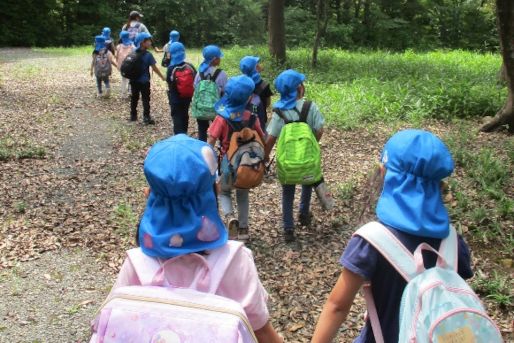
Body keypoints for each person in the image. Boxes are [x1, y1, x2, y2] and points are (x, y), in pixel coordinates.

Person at [109, 134, 283, 343]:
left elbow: (112, 322)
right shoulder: (235, 261)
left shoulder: (137, 263)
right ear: (215, 191)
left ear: (149, 195)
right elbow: (261, 332)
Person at [311, 129, 474, 343]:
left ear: (385, 174)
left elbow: (337, 306)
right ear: (439, 185)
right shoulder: (454, 244)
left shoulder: (371, 241)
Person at [264, 69, 325, 242]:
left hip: (287, 160)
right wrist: (312, 143)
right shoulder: (310, 106)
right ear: (299, 89)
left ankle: (288, 228)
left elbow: (271, 138)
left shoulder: (278, 111)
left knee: (287, 190)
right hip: (307, 157)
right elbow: (320, 129)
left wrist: (265, 156)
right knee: (308, 182)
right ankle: (304, 214)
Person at [207, 75, 266, 242]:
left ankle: (229, 218)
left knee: (224, 192)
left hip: (227, 162)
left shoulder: (221, 118)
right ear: (248, 97)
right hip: (246, 163)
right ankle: (244, 229)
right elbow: (261, 137)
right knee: (243, 193)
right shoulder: (252, 117)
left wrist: (206, 160)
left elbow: (210, 141)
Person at [193, 45, 228, 141]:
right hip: (217, 109)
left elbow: (195, 87)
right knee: (220, 130)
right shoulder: (222, 74)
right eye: (219, 57)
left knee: (202, 130)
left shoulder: (199, 73)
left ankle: (202, 150)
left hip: (201, 109)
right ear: (214, 59)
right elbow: (226, 91)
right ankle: (221, 149)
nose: (220, 59)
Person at [129, 32, 165, 124]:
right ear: (142, 42)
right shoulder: (148, 55)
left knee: (134, 97)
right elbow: (154, 68)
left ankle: (133, 116)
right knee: (145, 99)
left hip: (133, 80)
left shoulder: (132, 53)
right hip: (144, 81)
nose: (150, 43)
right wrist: (162, 77)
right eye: (148, 41)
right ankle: (146, 117)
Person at [166, 41, 196, 135]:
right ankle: (184, 133)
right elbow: (195, 79)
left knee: (176, 116)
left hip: (175, 98)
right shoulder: (189, 66)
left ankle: (178, 136)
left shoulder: (171, 68)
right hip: (187, 97)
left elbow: (168, 81)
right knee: (184, 115)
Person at [239, 56, 273, 133]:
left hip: (242, 119)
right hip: (261, 118)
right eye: (258, 64)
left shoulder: (239, 84)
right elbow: (268, 103)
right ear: (256, 67)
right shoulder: (264, 85)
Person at [115, 30, 134, 98]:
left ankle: (123, 94)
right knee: (131, 79)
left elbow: (116, 57)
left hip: (122, 66)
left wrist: (118, 64)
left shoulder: (119, 46)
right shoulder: (132, 46)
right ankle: (130, 92)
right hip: (131, 66)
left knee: (123, 79)